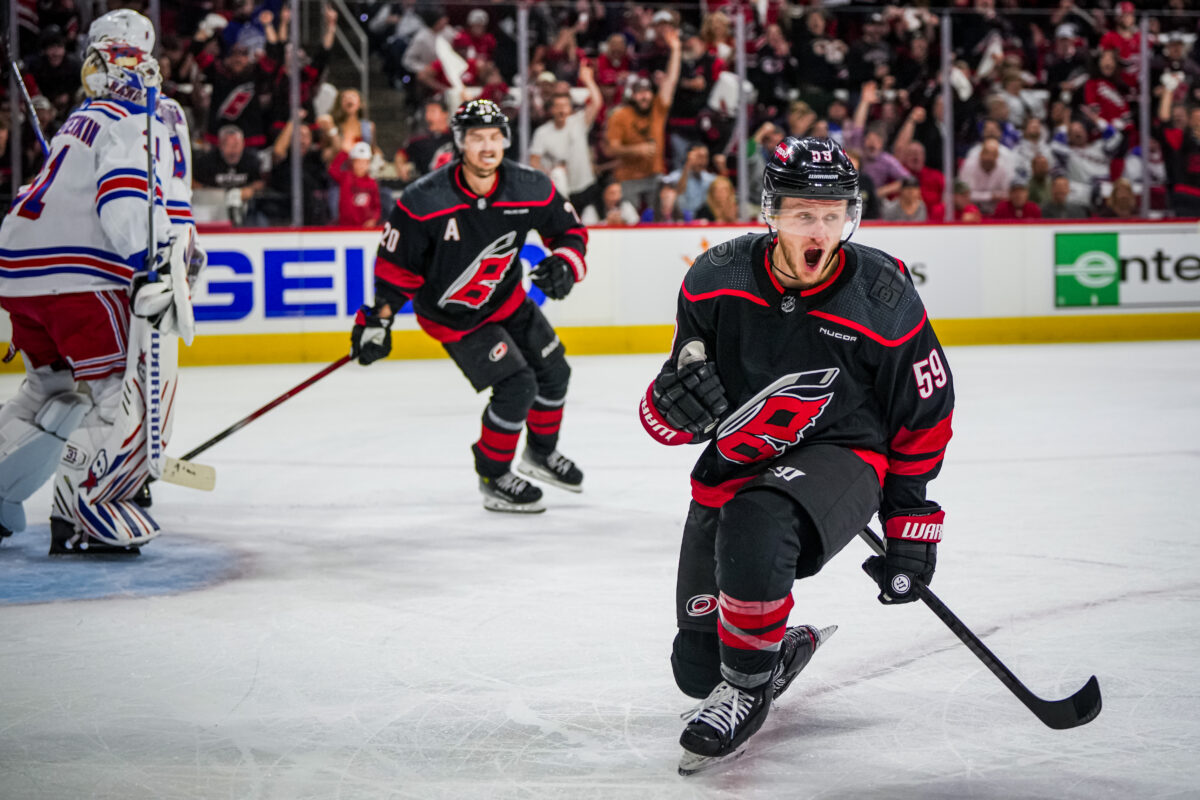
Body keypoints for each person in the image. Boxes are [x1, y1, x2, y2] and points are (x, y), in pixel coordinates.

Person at [638, 136, 954, 773]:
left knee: (759, 521)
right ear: (772, 213)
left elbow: (925, 411)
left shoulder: (882, 294)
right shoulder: (714, 279)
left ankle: (751, 687)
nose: (820, 229)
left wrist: (911, 524)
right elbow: (687, 390)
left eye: (833, 214)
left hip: (846, 453)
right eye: (804, 214)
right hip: (742, 456)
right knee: (699, 669)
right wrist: (665, 410)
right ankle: (772, 651)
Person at [0, 9, 202, 555]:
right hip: (78, 277)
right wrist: (150, 261)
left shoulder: (80, 119)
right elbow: (127, 192)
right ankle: (87, 507)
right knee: (116, 388)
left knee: (49, 387)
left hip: (19, 273)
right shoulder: (144, 114)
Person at [350, 100, 589, 513]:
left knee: (555, 372)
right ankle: (494, 475)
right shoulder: (424, 200)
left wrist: (566, 264)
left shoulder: (529, 186)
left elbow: (569, 231)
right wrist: (379, 321)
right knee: (517, 386)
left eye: (495, 137)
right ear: (460, 142)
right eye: (476, 138)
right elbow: (394, 269)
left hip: (508, 300)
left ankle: (540, 453)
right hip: (454, 319)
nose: (487, 146)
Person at [605, 26, 682, 212]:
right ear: (632, 96)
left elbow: (670, 82)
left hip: (654, 176)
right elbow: (611, 149)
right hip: (627, 178)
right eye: (640, 93)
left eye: (647, 92)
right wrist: (636, 150)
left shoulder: (657, 108)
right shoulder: (620, 115)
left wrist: (676, 49)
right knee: (628, 216)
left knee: (669, 205)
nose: (645, 97)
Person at [528, 60, 603, 211]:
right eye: (558, 106)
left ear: (570, 108)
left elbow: (596, 102)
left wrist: (588, 80)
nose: (562, 110)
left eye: (565, 106)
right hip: (561, 190)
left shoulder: (579, 122)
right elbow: (534, 161)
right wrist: (550, 173)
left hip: (586, 186)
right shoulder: (542, 132)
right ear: (552, 110)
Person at [329, 141, 381, 227]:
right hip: (346, 226)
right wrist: (345, 152)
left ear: (368, 164)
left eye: (364, 162)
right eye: (358, 162)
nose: (361, 165)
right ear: (352, 162)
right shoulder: (346, 177)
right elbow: (333, 170)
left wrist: (373, 219)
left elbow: (376, 206)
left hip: (365, 227)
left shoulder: (372, 183)